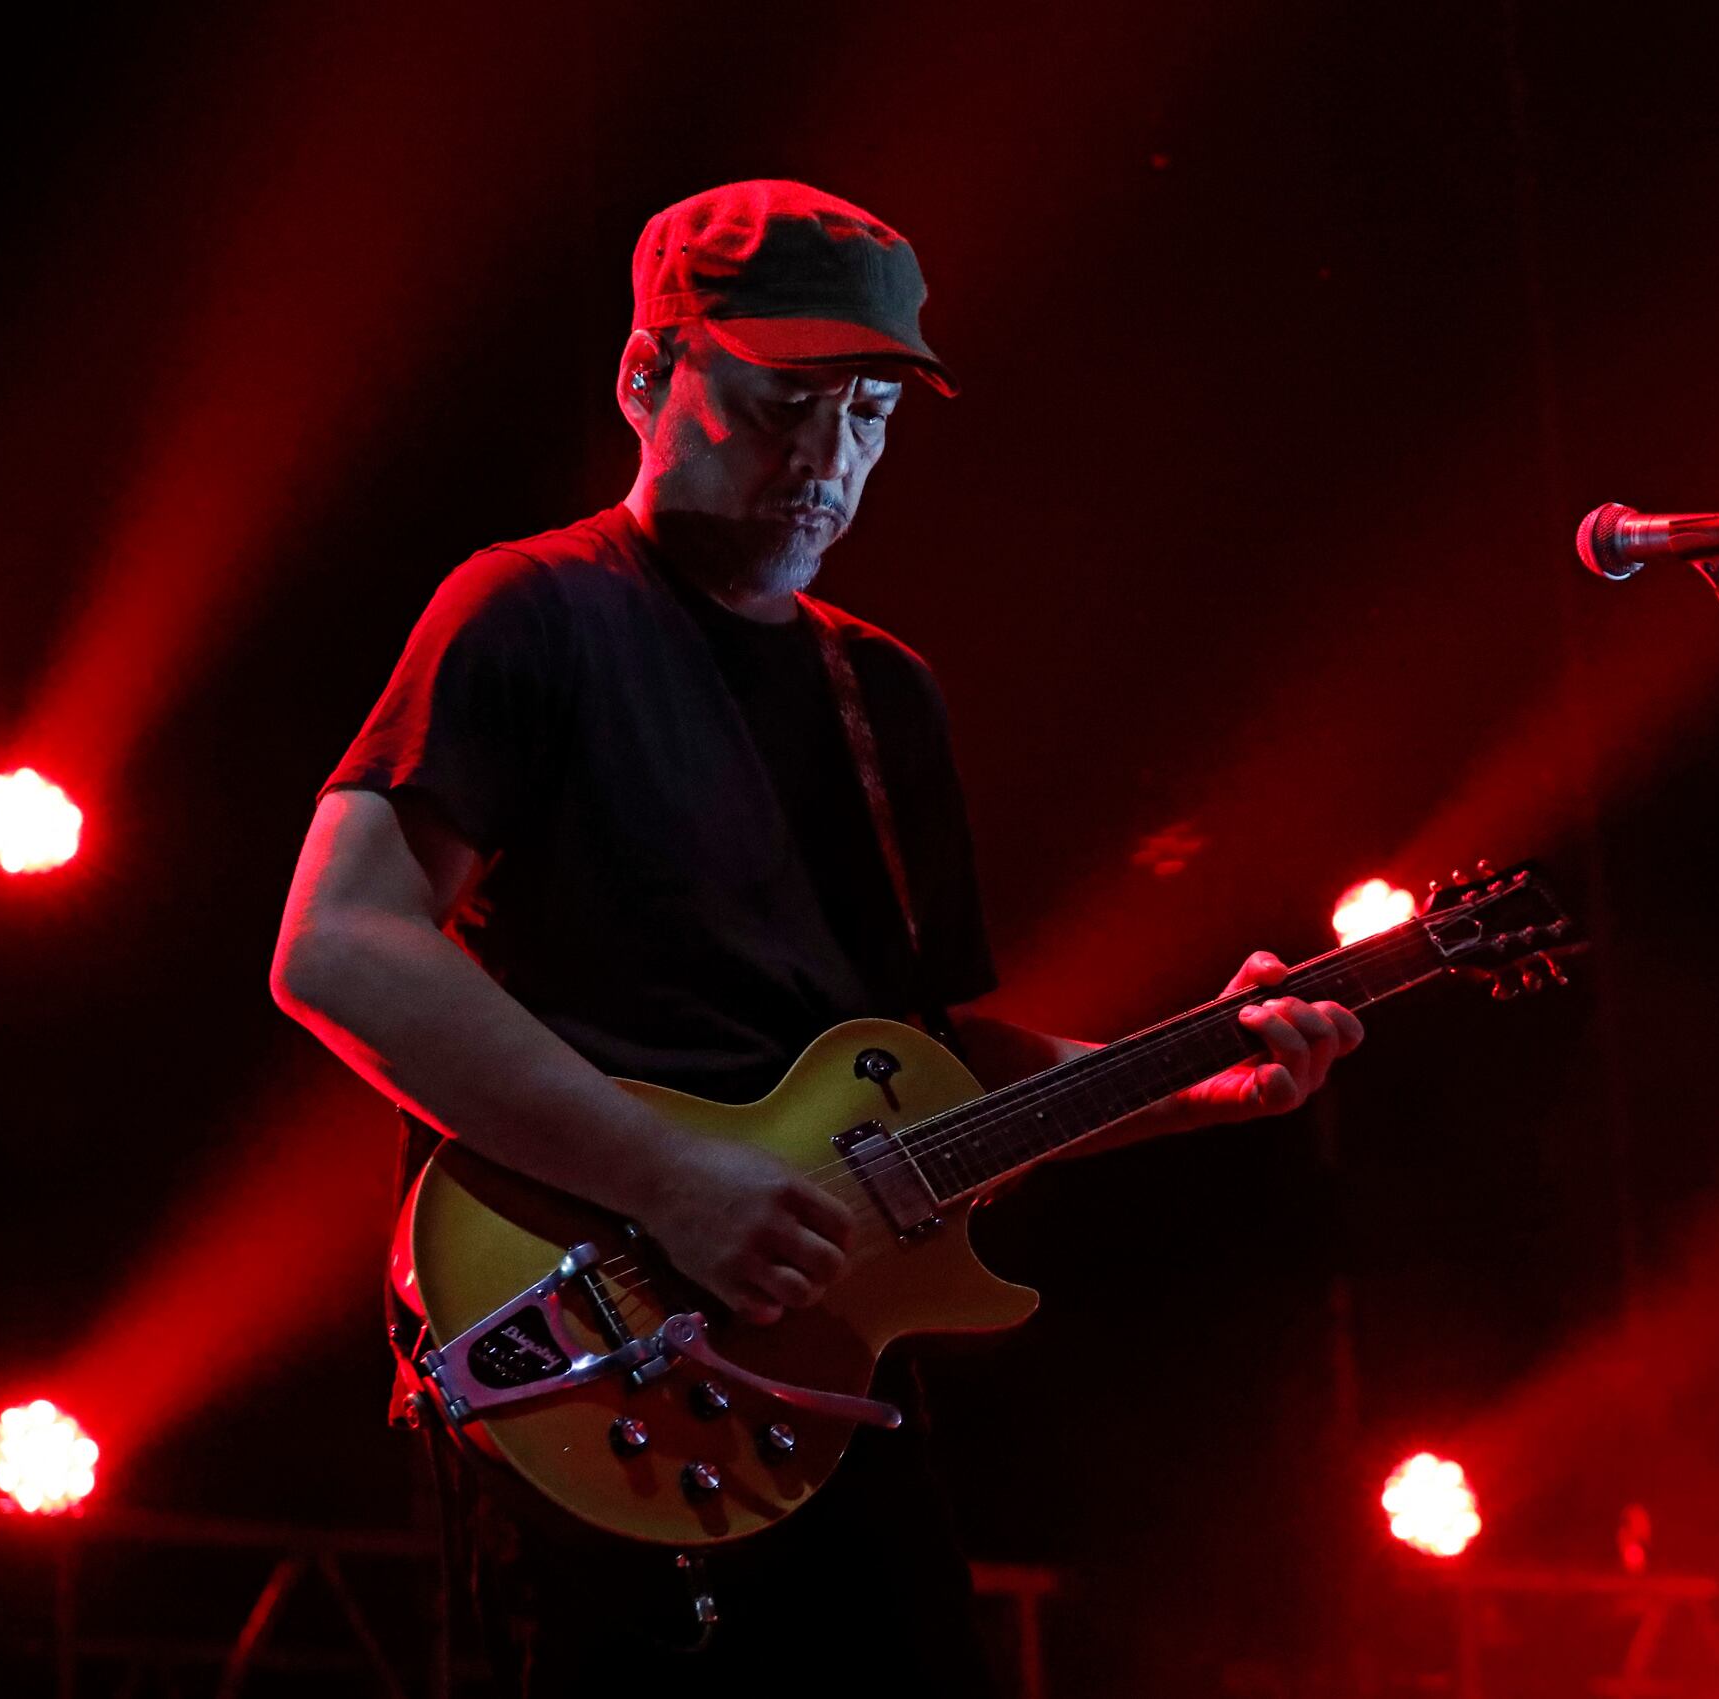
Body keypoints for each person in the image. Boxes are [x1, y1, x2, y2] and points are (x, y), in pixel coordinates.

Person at [268, 179, 1364, 1694]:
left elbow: (938, 1059)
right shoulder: (528, 611)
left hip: (824, 1395)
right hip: (594, 1357)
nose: (826, 460)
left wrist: (1191, 1082)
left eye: (867, 416)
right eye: (785, 401)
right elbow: (340, 946)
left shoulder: (884, 698)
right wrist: (670, 1182)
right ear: (650, 378)